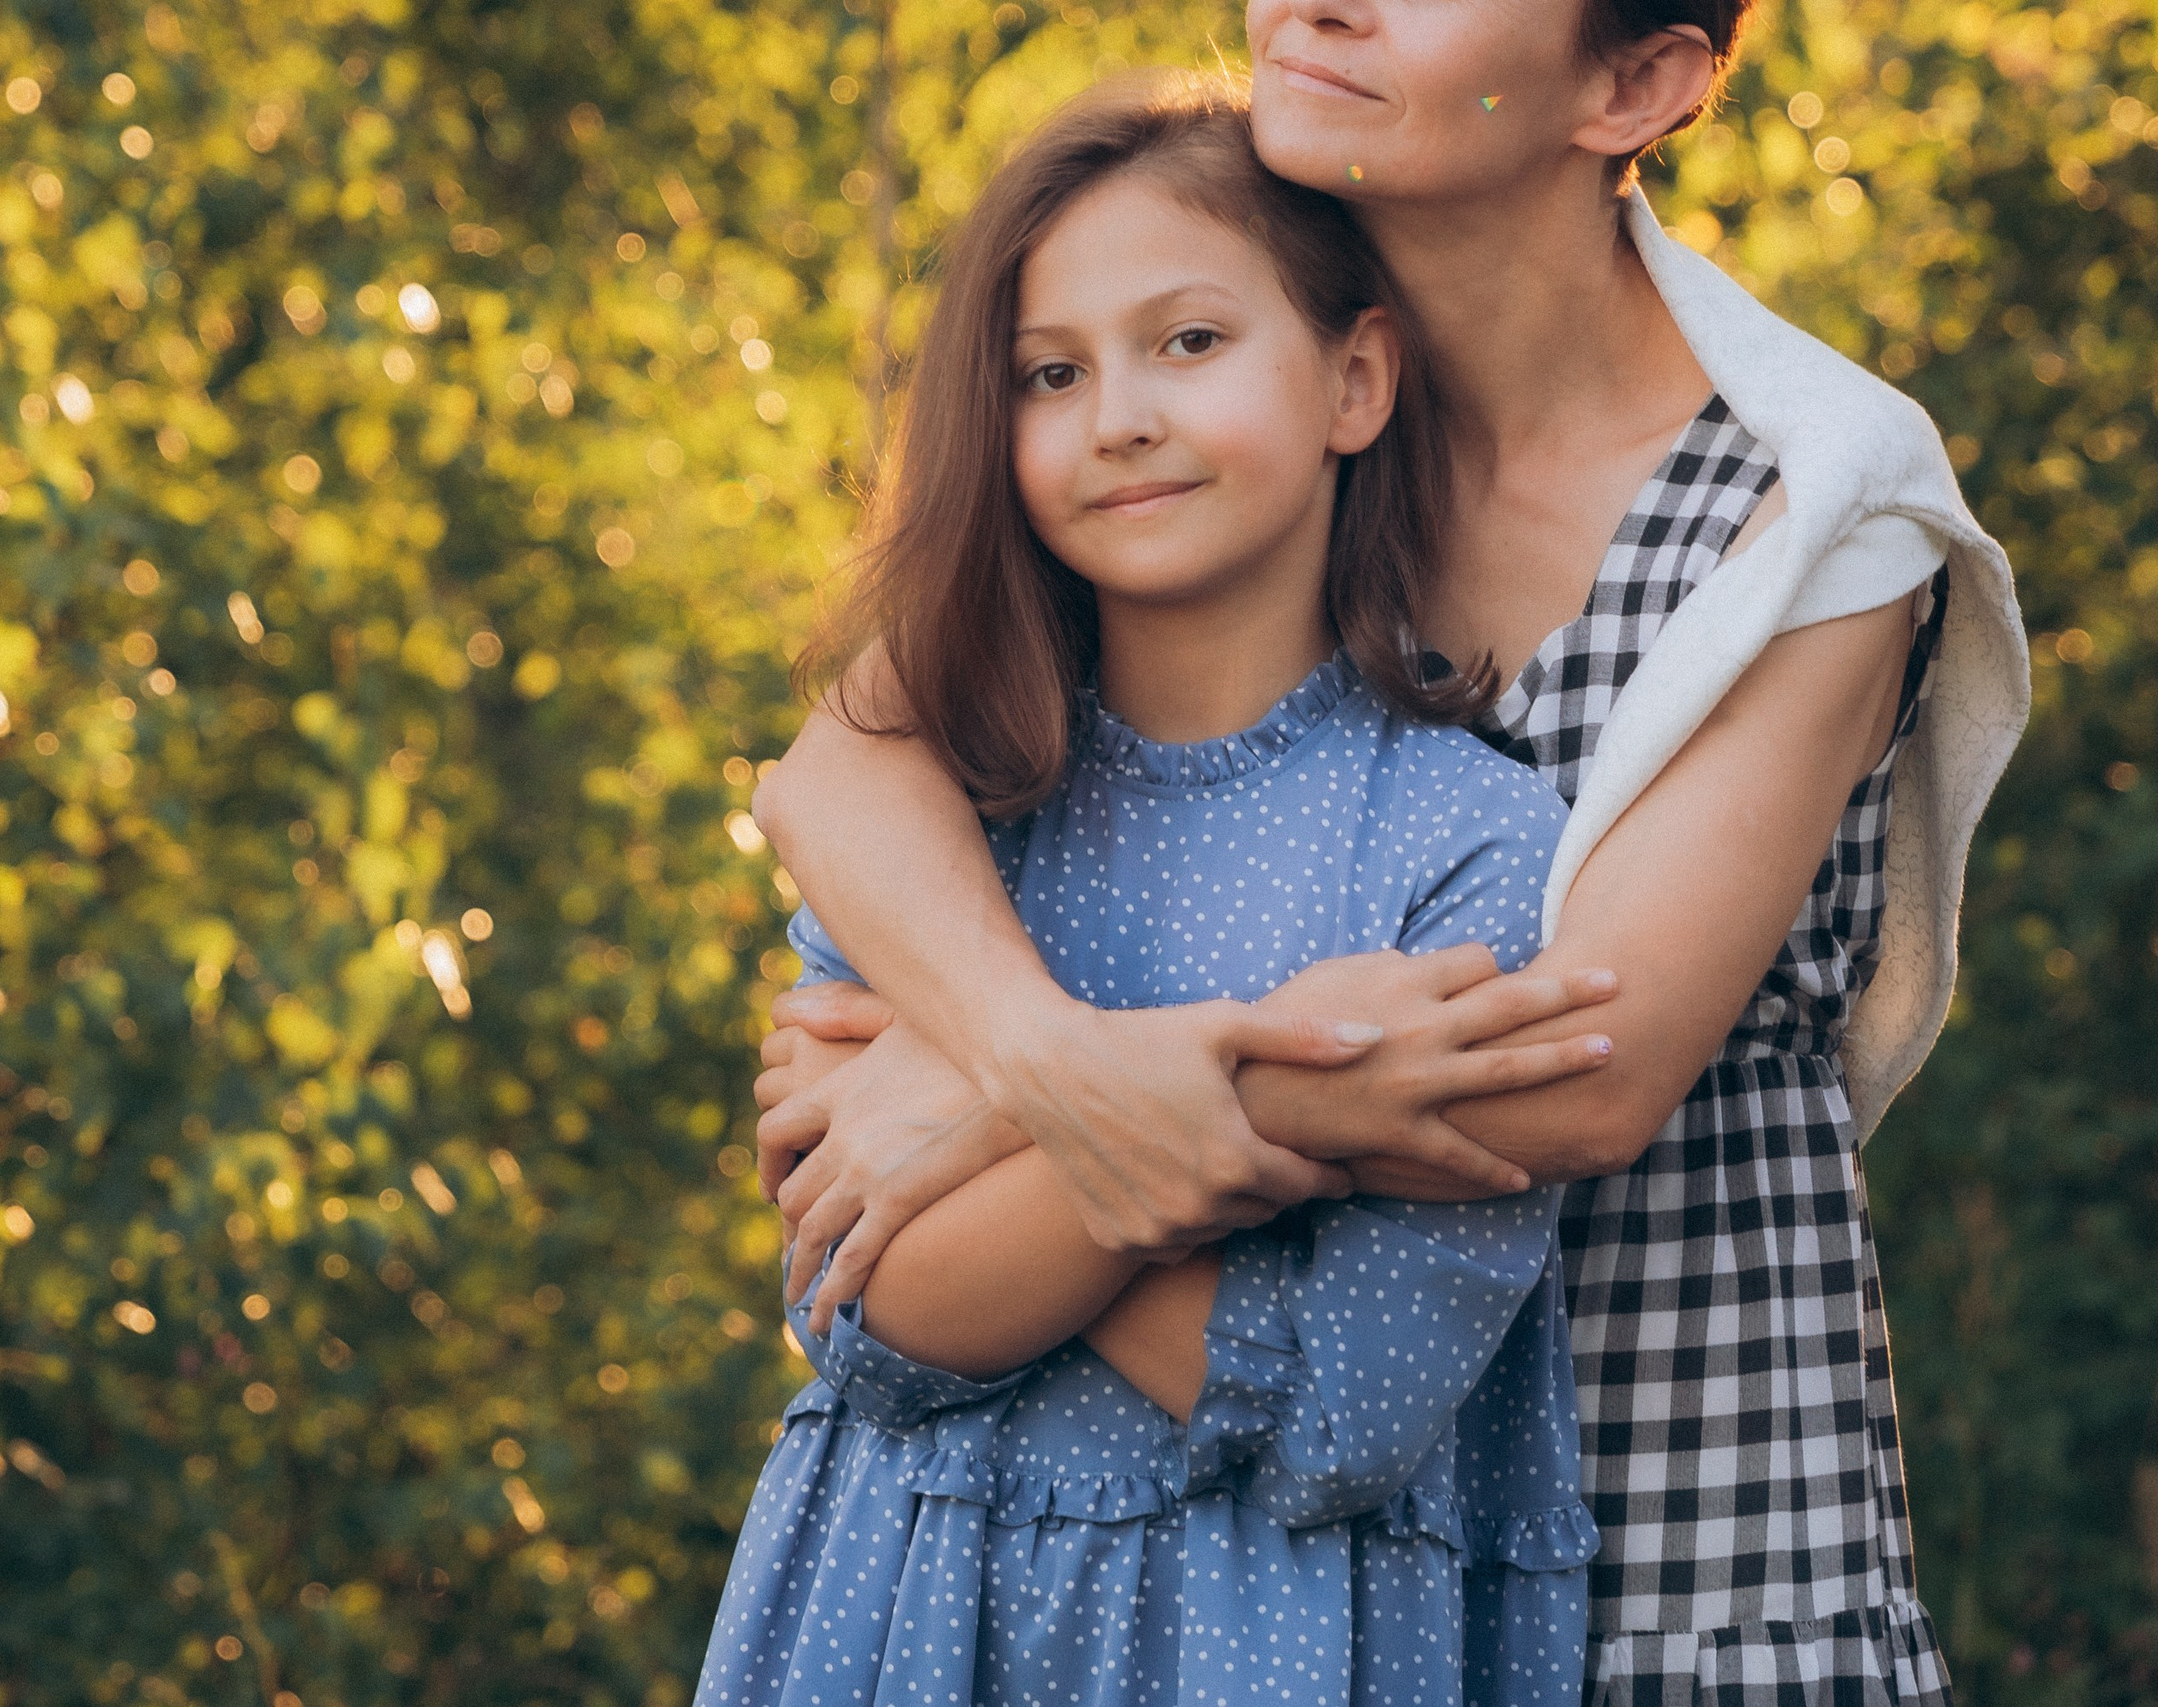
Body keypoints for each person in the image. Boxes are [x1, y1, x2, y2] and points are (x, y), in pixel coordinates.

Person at [749, 3, 2030, 1702]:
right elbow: (841, 767)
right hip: (1256, 1587)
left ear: (1636, 84)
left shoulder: (1813, 498)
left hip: (1668, 1517)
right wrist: (1035, 1047)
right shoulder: (1220, 409)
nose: (1312, 5)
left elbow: (1571, 1074)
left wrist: (986, 1082)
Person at [698, 76, 1605, 1707]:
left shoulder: (1472, 845)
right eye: (1052, 373)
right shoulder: (948, 817)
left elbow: (1348, 1410)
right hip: (899, 1618)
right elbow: (874, 1314)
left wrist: (999, 1106)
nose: (1117, 413)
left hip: (1265, 1641)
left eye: (1188, 342)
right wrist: (1290, 1098)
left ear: (1354, 377)